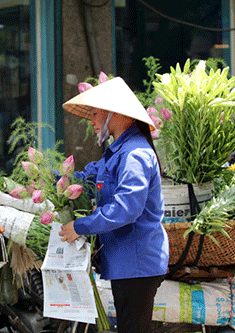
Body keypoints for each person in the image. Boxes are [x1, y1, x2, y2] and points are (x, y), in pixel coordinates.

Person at [59, 76, 169, 333]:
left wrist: (81, 226)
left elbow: (125, 209)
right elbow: (87, 180)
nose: (92, 121)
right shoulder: (118, 153)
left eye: (97, 113)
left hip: (136, 262)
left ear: (119, 114)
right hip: (126, 262)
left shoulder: (135, 154)